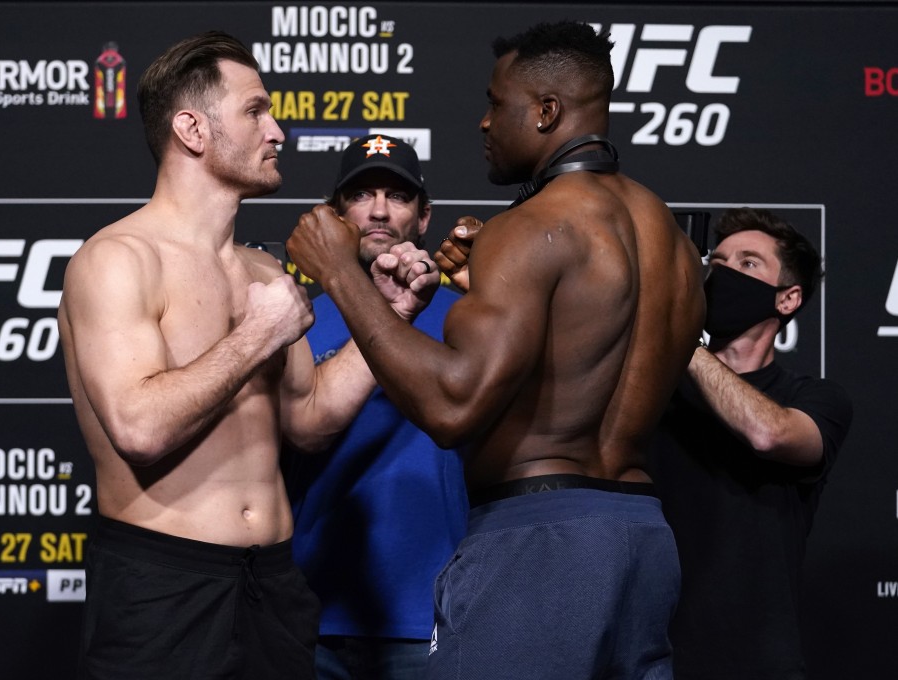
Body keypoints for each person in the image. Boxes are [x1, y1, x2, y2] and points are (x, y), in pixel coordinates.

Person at [286, 21, 705, 679]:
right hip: (641, 536)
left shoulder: (530, 226)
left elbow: (453, 407)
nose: (484, 122)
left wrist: (340, 273)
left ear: (546, 111)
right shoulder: (671, 241)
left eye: (495, 103)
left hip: (542, 541)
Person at [56, 31, 440, 680]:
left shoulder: (263, 272)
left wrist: (392, 314)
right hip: (166, 585)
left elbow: (309, 419)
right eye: (255, 111)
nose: (278, 131)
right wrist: (256, 335)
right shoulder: (118, 260)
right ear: (192, 130)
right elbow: (139, 428)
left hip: (275, 586)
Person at [283, 134, 468, 680]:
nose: (380, 211)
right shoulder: (295, 319)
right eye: (362, 195)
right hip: (314, 607)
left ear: (424, 216)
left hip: (431, 609)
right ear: (335, 217)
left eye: (398, 196)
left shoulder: (468, 318)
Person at [647, 207, 853, 679]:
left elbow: (769, 434)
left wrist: (686, 342)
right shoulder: (654, 389)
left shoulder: (816, 398)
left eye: (747, 263)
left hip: (755, 659)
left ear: (788, 298)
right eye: (717, 261)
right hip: (651, 653)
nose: (723, 273)